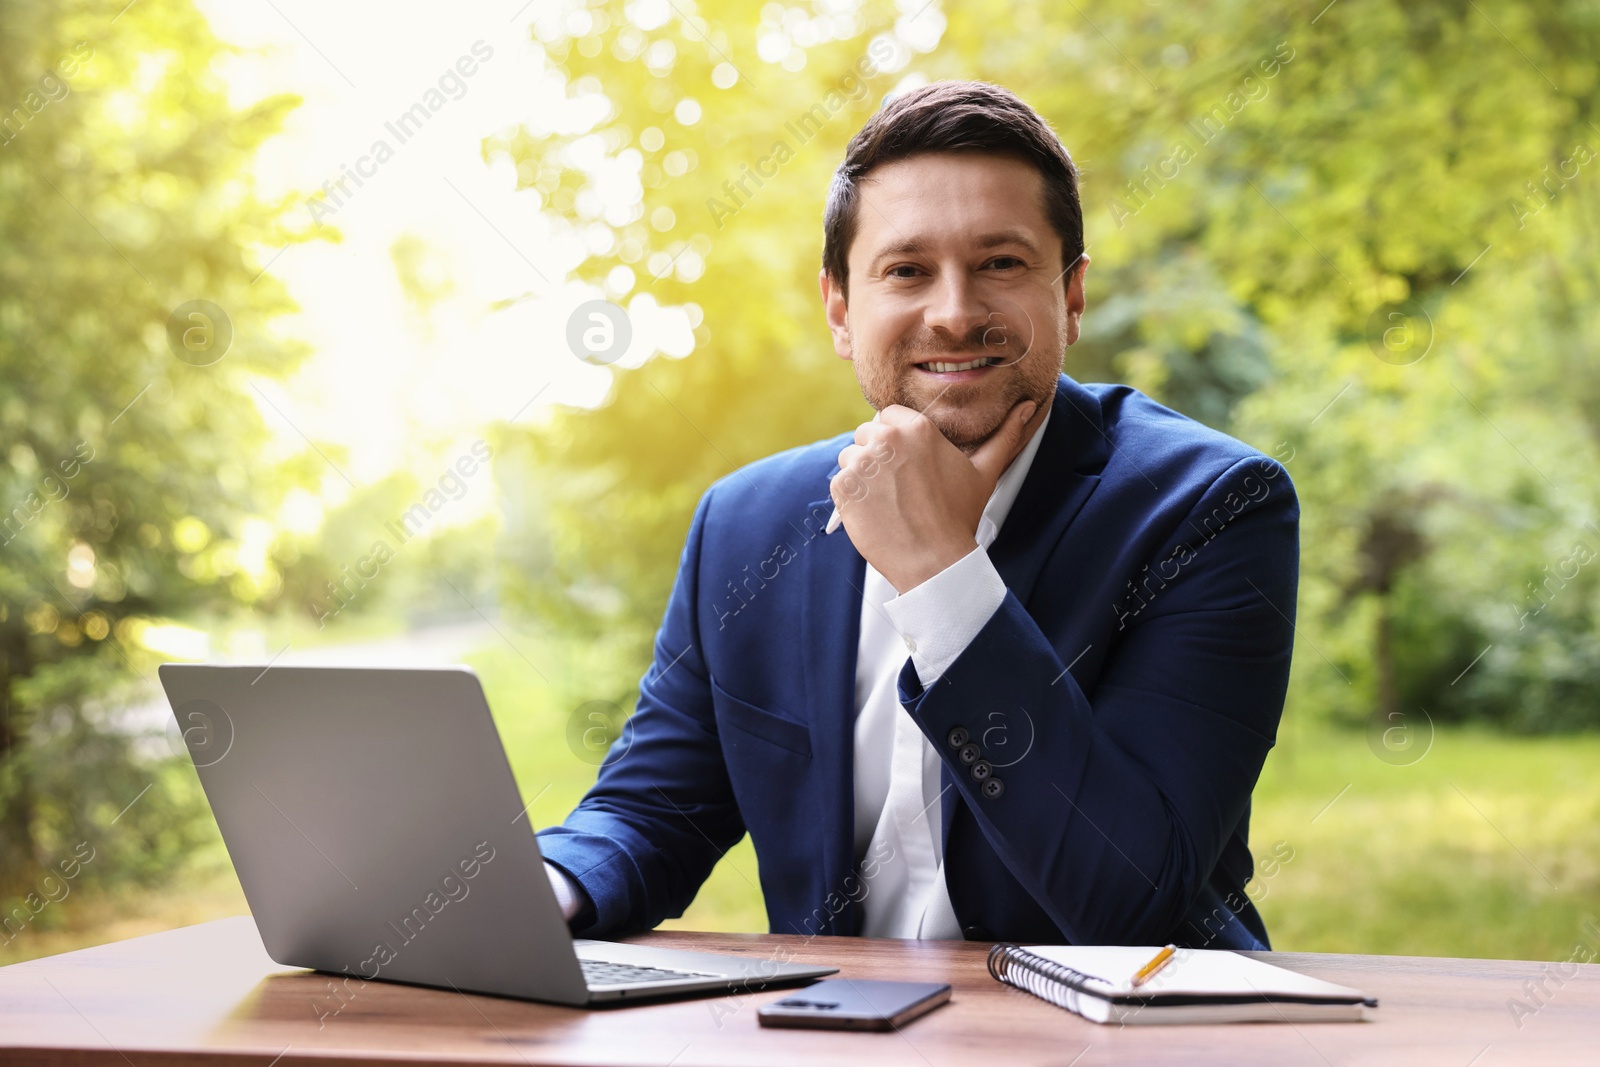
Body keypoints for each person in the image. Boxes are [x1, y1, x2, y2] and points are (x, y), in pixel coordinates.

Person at [537, 80, 1298, 950]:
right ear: (839, 308)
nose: (954, 312)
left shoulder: (1212, 507)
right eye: (906, 270)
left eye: (1001, 264)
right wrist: (546, 887)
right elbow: (653, 809)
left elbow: (1133, 901)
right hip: (839, 1035)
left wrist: (942, 572)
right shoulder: (744, 524)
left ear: (1072, 294)